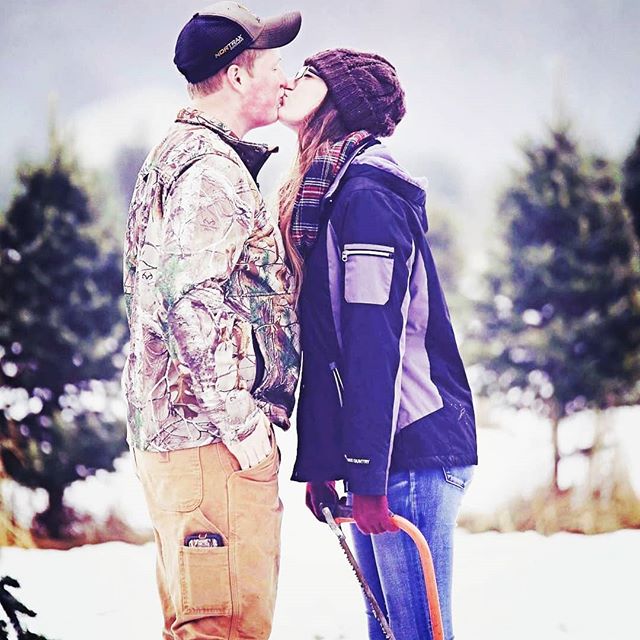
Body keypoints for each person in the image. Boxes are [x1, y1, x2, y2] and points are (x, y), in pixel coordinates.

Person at [277, 49, 478, 639]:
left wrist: (366, 474)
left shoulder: (366, 198)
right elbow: (327, 345)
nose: (291, 79)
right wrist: (323, 461)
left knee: (412, 635)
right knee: (386, 632)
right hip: (388, 455)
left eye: (309, 75)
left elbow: (374, 344)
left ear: (341, 99)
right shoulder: (335, 189)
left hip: (410, 452)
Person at [122, 3, 301, 638]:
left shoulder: (185, 156)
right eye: (274, 65)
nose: (287, 77)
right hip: (210, 443)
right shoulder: (212, 172)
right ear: (235, 77)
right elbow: (188, 299)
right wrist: (239, 417)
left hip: (187, 438)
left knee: (202, 626)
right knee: (225, 628)